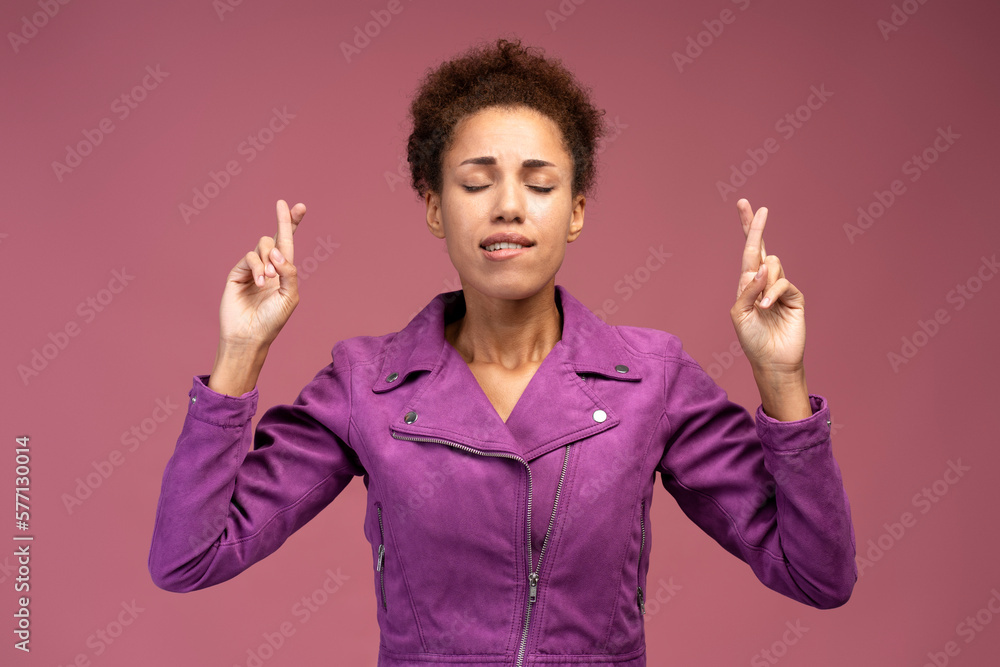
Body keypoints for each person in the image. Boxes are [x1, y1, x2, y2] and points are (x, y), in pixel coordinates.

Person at [148, 36, 856, 666]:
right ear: (434, 207)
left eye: (541, 183)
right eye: (476, 182)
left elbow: (818, 574)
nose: (509, 206)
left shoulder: (651, 378)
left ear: (576, 210)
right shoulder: (367, 383)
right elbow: (189, 556)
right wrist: (239, 352)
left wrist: (780, 376)